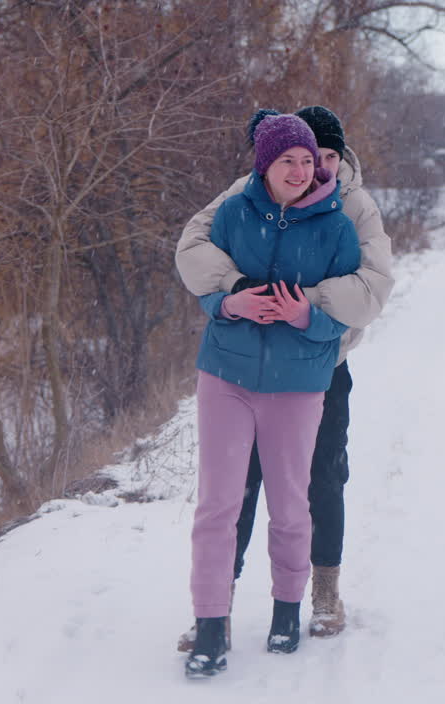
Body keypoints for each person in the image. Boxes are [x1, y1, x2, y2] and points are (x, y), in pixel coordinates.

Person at [175, 105, 393, 648]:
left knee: (320, 479)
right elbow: (193, 246)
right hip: (244, 368)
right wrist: (236, 290)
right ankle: (216, 605)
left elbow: (372, 287)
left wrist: (300, 305)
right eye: (300, 156)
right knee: (237, 489)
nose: (314, 166)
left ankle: (324, 589)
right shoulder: (245, 193)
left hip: (323, 365)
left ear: (339, 158)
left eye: (326, 155)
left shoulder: (353, 207)